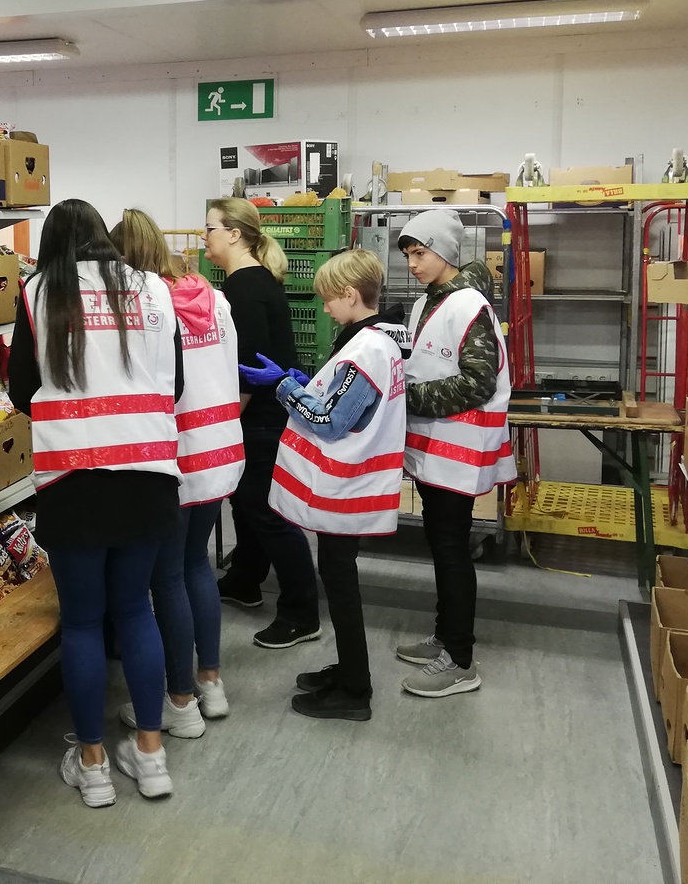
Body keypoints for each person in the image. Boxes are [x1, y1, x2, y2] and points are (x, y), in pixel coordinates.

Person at [8, 199, 184, 807]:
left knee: (82, 621)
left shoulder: (38, 292)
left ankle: (92, 765)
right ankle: (152, 757)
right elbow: (175, 383)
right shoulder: (154, 289)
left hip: (72, 477)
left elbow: (21, 389)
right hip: (149, 471)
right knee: (136, 610)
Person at [247, 250, 408, 721]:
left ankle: (355, 690)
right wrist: (308, 381)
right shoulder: (379, 339)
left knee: (340, 583)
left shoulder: (367, 349)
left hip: (348, 487)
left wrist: (284, 386)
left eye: (328, 299)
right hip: (354, 485)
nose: (324, 308)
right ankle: (348, 670)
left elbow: (331, 421)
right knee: (338, 579)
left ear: (351, 295)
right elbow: (345, 398)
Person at [110, 208, 244, 738]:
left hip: (175, 453)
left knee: (165, 577)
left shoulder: (149, 306)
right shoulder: (214, 299)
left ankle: (180, 703)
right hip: (219, 445)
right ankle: (211, 682)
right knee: (195, 568)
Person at [396, 208, 515, 698]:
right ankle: (445, 637)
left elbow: (478, 383)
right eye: (408, 255)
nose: (412, 264)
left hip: (457, 450)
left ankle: (461, 660)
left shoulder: (470, 306)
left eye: (419, 253)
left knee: (451, 550)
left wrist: (406, 397)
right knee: (441, 544)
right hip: (434, 447)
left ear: (444, 251)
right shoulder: (427, 303)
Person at [205, 198, 321, 649]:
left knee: (265, 511)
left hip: (261, 417)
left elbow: (248, 368)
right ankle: (245, 579)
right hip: (265, 414)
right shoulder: (253, 282)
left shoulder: (245, 288)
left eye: (210, 228)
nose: (205, 237)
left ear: (234, 234)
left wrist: (224, 421)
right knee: (246, 504)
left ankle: (301, 611)